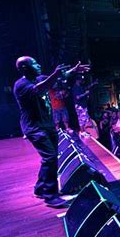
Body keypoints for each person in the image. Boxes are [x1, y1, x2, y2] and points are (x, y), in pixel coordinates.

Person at [13, 56, 89, 208]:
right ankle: (50, 196)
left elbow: (58, 78)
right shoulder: (21, 85)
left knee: (50, 158)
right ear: (24, 68)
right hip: (34, 127)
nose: (38, 64)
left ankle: (41, 188)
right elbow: (39, 89)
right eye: (34, 63)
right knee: (50, 157)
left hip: (46, 124)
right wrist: (55, 75)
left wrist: (72, 71)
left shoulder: (39, 78)